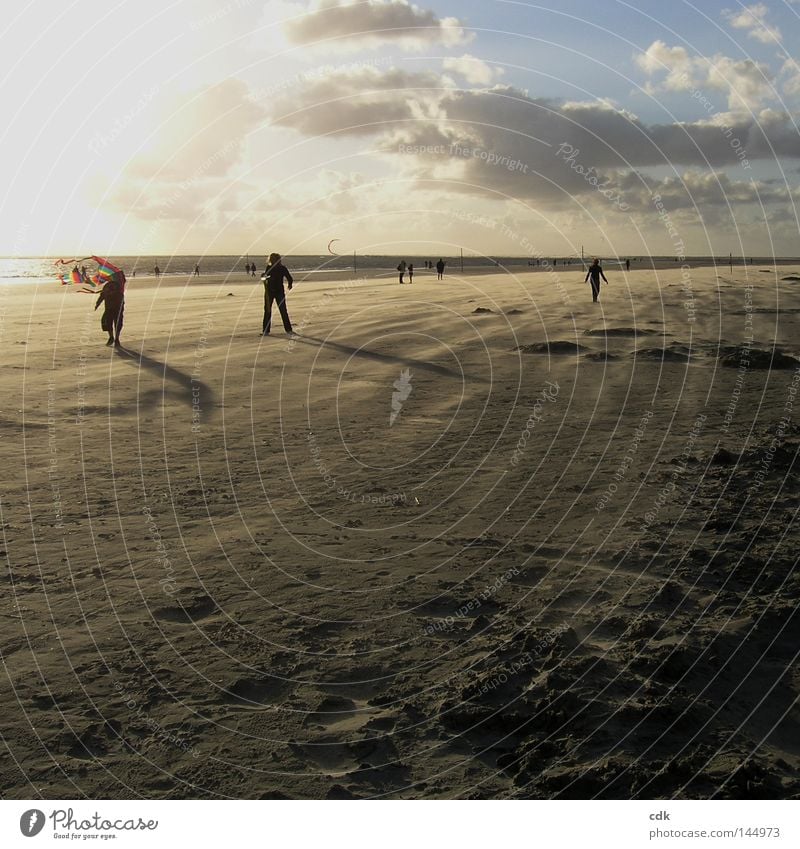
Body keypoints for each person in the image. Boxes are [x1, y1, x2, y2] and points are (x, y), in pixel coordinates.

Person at [261, 252, 294, 336]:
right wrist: (264, 277)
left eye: (274, 259)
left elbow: (289, 278)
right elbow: (265, 277)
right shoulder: (269, 267)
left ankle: (288, 329)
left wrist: (290, 284)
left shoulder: (282, 268)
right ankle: (266, 330)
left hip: (279, 292)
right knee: (267, 311)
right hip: (269, 292)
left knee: (283, 311)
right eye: (271, 259)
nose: (272, 260)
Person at [94, 272, 125, 347]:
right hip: (112, 307)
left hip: (115, 307)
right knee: (110, 322)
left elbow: (102, 295)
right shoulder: (115, 285)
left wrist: (98, 304)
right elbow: (103, 295)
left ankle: (114, 338)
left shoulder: (118, 285)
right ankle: (113, 338)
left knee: (114, 323)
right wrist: (98, 303)